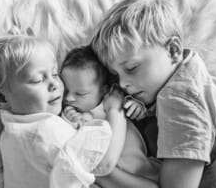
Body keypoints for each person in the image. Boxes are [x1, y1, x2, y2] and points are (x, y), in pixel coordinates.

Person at [92, 0, 216, 188]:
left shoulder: (180, 102)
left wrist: (97, 171)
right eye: (115, 75)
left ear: (173, 50)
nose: (123, 84)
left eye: (132, 68)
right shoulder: (190, 69)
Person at [0, 32, 113, 188]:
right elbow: (100, 163)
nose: (54, 84)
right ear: (2, 98)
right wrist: (114, 114)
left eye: (55, 74)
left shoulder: (10, 134)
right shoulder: (45, 130)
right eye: (38, 80)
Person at [60, 45, 160, 188]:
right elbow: (71, 143)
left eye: (80, 94)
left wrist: (138, 107)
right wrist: (70, 120)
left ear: (103, 90)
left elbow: (145, 115)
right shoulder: (73, 114)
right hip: (108, 176)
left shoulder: (115, 99)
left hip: (138, 169)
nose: (69, 98)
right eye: (66, 91)